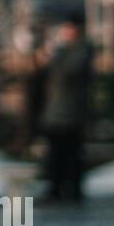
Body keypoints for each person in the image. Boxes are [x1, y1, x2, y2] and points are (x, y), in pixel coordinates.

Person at [38, 13, 93, 202]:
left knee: (71, 154)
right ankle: (56, 188)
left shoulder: (81, 50)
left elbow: (68, 72)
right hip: (56, 112)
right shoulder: (69, 50)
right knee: (55, 154)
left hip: (71, 113)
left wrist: (55, 55)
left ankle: (72, 190)